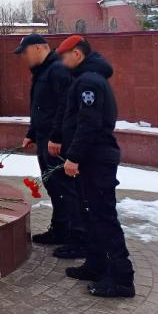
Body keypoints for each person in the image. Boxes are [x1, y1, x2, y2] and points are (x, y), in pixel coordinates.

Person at [57, 35, 135, 298]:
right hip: (92, 158)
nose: (62, 61)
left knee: (103, 217)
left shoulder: (89, 81)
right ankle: (96, 264)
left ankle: (122, 279)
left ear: (77, 54)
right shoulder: (86, 78)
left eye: (64, 56)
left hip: (95, 159)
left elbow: (89, 123)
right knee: (90, 213)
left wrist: (74, 157)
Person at [14, 34, 85, 254]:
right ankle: (61, 230)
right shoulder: (43, 71)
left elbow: (67, 107)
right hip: (46, 139)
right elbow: (41, 107)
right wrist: (32, 133)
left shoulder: (58, 70)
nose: (23, 57)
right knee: (54, 186)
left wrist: (57, 137)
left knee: (66, 188)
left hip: (57, 142)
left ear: (38, 48)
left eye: (25, 52)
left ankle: (79, 238)